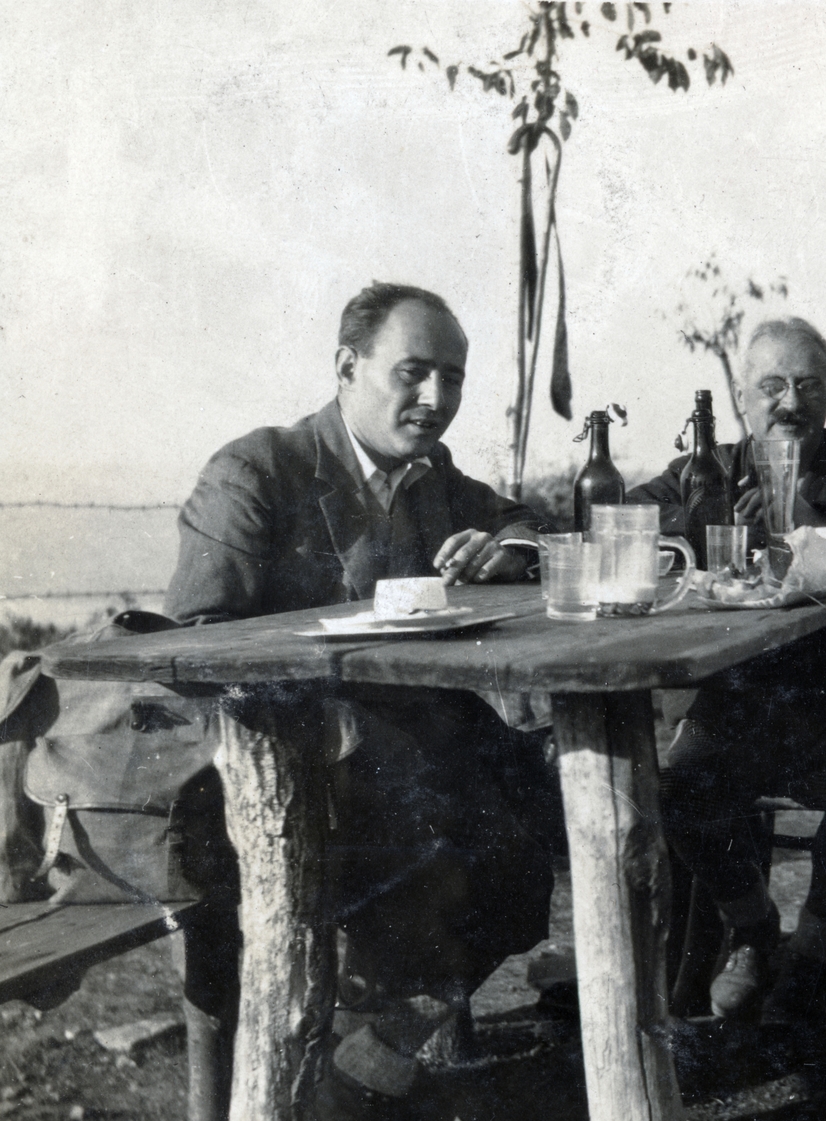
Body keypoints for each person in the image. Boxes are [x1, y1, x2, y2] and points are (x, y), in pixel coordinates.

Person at [166, 282, 557, 1118]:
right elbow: (195, 644)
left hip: (408, 767)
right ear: (348, 366)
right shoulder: (258, 469)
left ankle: (371, 1054)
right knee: (458, 838)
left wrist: (507, 548)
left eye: (452, 378)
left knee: (538, 825)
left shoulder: (433, 475)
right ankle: (345, 1068)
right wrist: (335, 717)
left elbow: (525, 521)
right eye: (413, 373)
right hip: (260, 771)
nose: (437, 399)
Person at [631, 317, 826, 1022]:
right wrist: (699, 525)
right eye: (771, 385)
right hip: (741, 695)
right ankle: (756, 928)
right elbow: (623, 513)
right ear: (741, 396)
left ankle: (815, 954)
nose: (789, 401)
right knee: (679, 792)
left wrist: (809, 519)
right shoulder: (706, 470)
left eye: (808, 384)